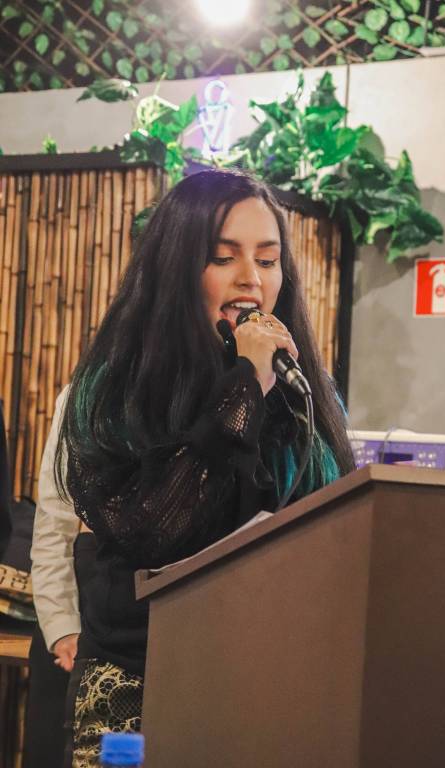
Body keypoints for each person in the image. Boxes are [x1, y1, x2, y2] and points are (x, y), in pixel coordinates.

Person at [36, 169, 355, 767]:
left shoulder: (299, 388)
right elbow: (153, 526)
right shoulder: (114, 389)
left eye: (268, 260)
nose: (251, 278)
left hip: (266, 685)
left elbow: (335, 531)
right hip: (139, 688)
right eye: (223, 257)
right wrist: (246, 384)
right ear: (176, 267)